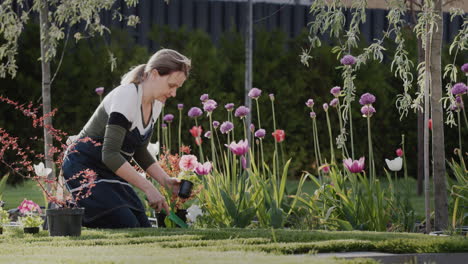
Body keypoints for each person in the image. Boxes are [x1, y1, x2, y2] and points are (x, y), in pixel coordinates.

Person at [61, 49, 191, 228]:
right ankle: (67, 209)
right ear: (154, 74)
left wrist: (165, 181)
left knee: (142, 226)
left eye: (177, 87)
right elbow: (110, 154)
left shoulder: (157, 105)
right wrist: (148, 187)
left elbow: (139, 149)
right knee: (126, 224)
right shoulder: (127, 95)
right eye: (171, 85)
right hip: (83, 167)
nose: (174, 93)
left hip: (109, 171)